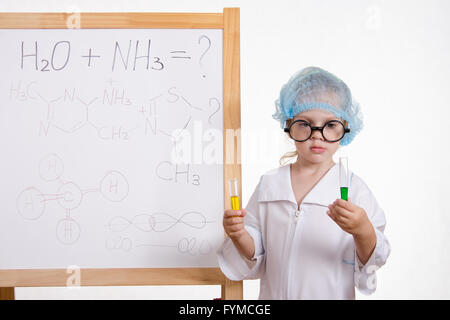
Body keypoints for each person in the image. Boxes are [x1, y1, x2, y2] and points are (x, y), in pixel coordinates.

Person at [217, 66, 391, 299]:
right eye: (305, 124)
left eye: (330, 125)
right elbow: (255, 252)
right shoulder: (270, 184)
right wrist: (239, 235)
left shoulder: (353, 189)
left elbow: (375, 258)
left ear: (345, 128)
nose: (317, 135)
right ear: (289, 126)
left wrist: (362, 229)